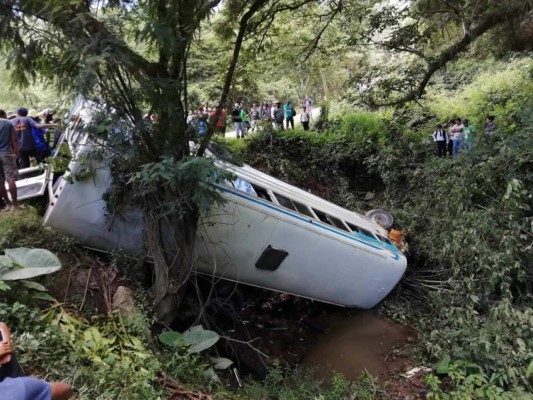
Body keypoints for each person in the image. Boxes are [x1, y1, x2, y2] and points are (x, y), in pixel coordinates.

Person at [0, 109, 19, 212]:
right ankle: (15, 204)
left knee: (0, 181)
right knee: (10, 178)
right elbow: (14, 140)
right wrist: (16, 152)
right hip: (6, 153)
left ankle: (8, 204)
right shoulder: (7, 122)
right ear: (3, 114)